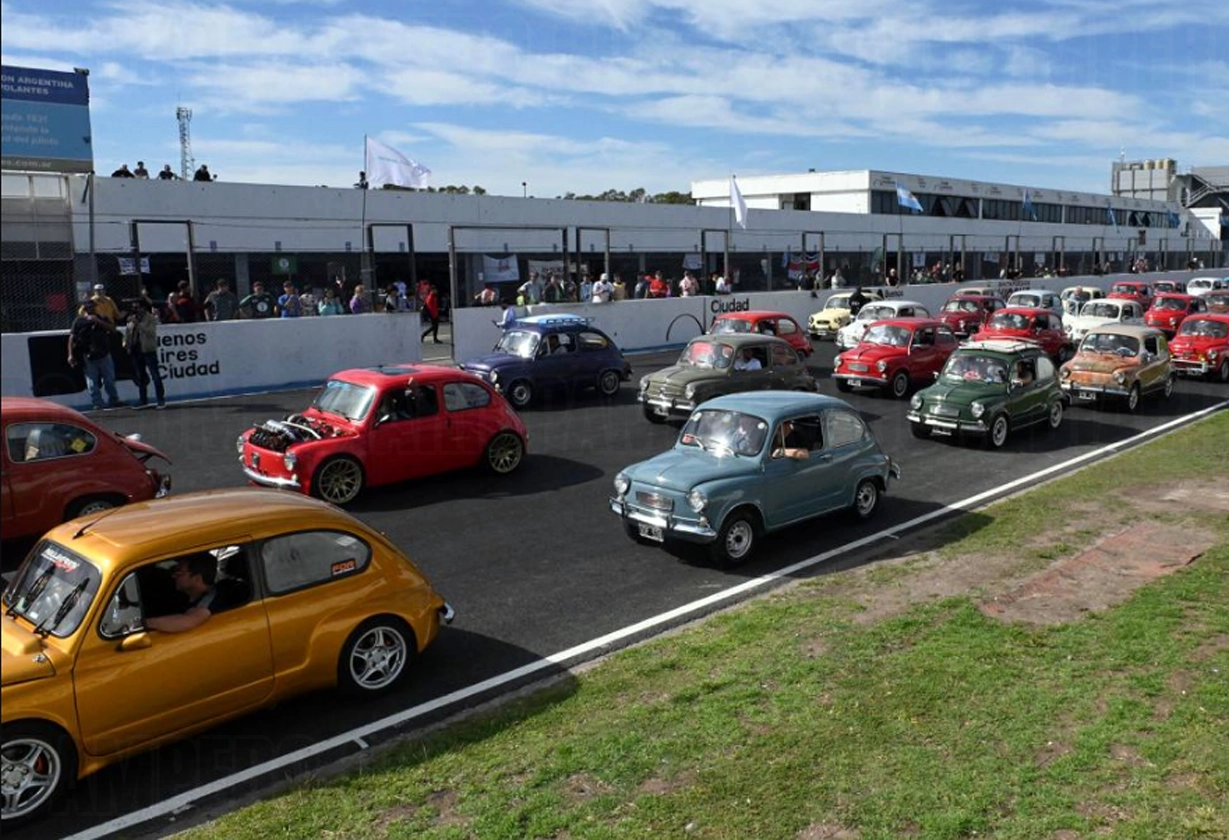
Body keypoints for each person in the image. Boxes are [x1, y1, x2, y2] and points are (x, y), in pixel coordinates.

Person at [145, 555, 233, 633]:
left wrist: (145, 623)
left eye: (179, 573)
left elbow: (187, 621)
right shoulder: (187, 595)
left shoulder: (207, 604)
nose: (173, 576)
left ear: (197, 578)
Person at [68, 299, 124, 409]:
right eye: (89, 307)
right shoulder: (79, 321)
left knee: (109, 379)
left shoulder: (101, 318)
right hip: (88, 354)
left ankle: (114, 399)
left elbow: (112, 329)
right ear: (85, 309)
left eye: (93, 307)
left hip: (103, 352)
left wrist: (98, 321)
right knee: (92, 381)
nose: (91, 309)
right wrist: (70, 354)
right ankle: (97, 402)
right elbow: (72, 338)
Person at [125, 299, 166, 408]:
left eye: (137, 307)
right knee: (140, 376)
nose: (135, 310)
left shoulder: (150, 318)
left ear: (143, 308)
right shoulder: (132, 318)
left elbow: (151, 332)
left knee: (155, 375)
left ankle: (160, 399)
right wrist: (127, 344)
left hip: (148, 350)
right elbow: (128, 332)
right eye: (134, 308)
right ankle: (143, 400)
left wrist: (138, 324)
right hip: (136, 350)